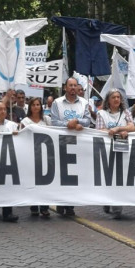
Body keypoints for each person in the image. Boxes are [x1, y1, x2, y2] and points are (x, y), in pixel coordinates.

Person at [50, 77, 91, 216]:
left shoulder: (84, 103)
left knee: (75, 175)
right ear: (65, 88)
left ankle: (70, 205)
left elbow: (88, 120)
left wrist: (78, 121)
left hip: (79, 144)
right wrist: (67, 125)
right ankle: (62, 203)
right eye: (70, 85)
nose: (73, 88)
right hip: (62, 143)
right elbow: (54, 122)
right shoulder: (57, 103)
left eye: (75, 85)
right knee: (62, 174)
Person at [95, 89, 134, 219]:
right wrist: (110, 132)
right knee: (108, 177)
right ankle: (107, 200)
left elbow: (132, 127)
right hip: (106, 150)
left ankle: (117, 207)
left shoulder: (126, 113)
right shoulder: (101, 114)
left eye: (118, 97)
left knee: (120, 178)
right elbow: (100, 130)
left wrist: (119, 129)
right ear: (108, 100)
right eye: (114, 97)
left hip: (122, 149)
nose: (117, 99)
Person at [20, 97, 52, 217]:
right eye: (33, 105)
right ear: (30, 107)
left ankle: (44, 207)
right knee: (32, 181)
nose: (36, 107)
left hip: (45, 154)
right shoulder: (25, 121)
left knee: (45, 182)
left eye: (38, 104)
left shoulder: (47, 120)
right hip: (31, 155)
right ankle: (33, 205)